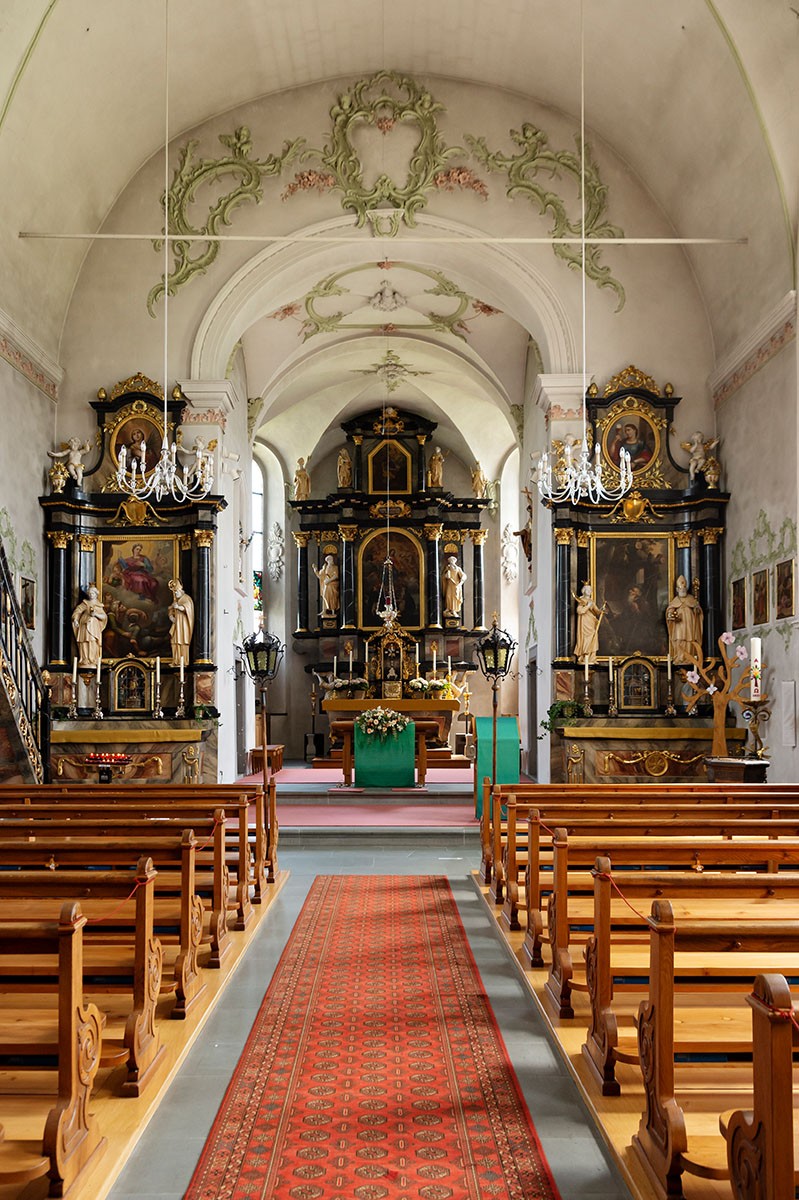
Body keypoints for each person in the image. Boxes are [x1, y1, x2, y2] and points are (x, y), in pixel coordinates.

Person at [665, 574, 704, 663]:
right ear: (677, 590)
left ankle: (689, 658)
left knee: (690, 639)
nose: (682, 590)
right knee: (679, 640)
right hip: (679, 625)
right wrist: (672, 616)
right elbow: (669, 611)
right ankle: (680, 657)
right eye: (680, 589)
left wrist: (697, 610)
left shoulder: (692, 599)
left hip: (690, 623)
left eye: (684, 589)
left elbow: (698, 612)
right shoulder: (675, 601)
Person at [71, 585, 107, 668]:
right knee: (84, 642)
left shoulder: (99, 605)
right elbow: (77, 611)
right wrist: (76, 619)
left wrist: (96, 614)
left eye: (92, 593)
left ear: (96, 594)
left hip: (94, 627)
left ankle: (92, 659)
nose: (91, 595)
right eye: (89, 593)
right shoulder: (85, 603)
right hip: (84, 624)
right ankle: (85, 659)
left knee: (93, 642)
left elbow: (104, 617)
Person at [574, 583, 605, 663]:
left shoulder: (591, 601)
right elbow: (579, 611)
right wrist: (588, 606)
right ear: (584, 591)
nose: (589, 591)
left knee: (594, 636)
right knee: (586, 638)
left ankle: (592, 658)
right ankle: (585, 657)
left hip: (591, 622)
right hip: (585, 622)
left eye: (590, 590)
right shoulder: (581, 600)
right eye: (587, 590)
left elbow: (596, 611)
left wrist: (601, 610)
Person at [168, 579, 195, 665]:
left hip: (183, 625)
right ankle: (176, 660)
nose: (175, 593)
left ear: (181, 590)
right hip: (177, 624)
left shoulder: (186, 598)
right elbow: (170, 611)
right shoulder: (176, 601)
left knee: (182, 641)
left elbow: (188, 608)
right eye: (174, 592)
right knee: (174, 641)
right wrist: (171, 617)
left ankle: (183, 661)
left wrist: (179, 607)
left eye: (176, 591)